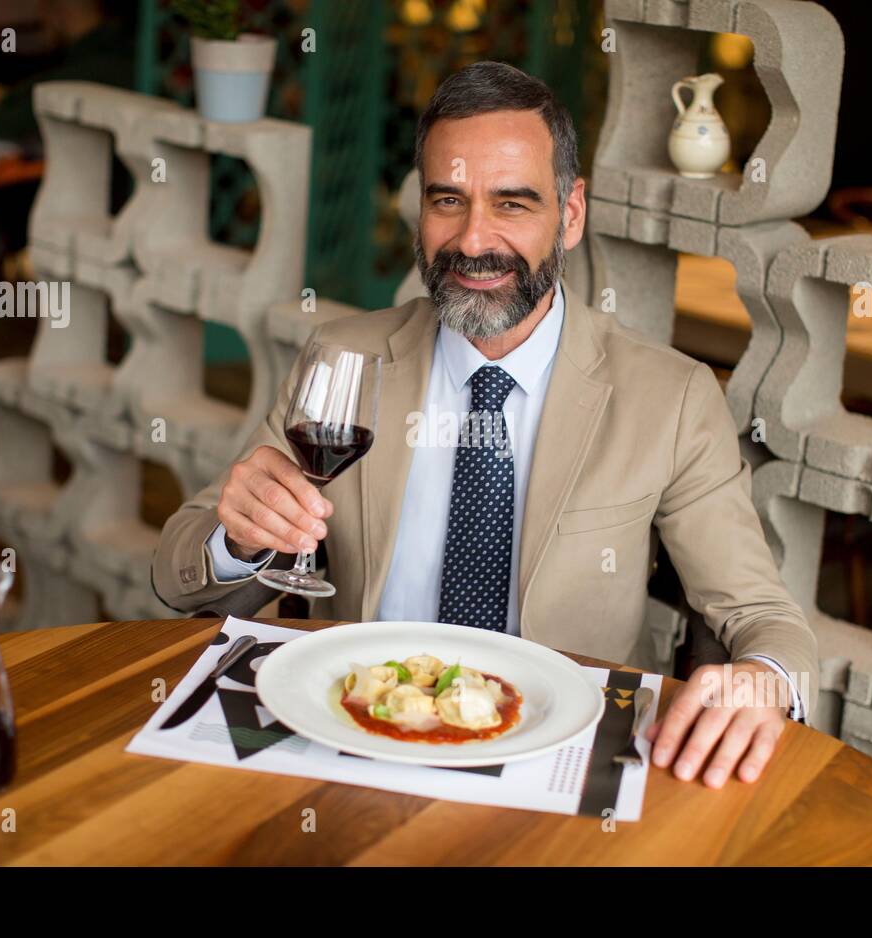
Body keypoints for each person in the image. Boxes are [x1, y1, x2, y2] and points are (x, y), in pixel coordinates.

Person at [153, 62, 819, 790]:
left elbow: (762, 616)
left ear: (569, 214)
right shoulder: (343, 356)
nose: (473, 241)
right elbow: (179, 575)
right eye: (448, 200)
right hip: (358, 738)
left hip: (549, 766)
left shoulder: (672, 398)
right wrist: (240, 539)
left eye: (512, 204)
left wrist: (759, 682)